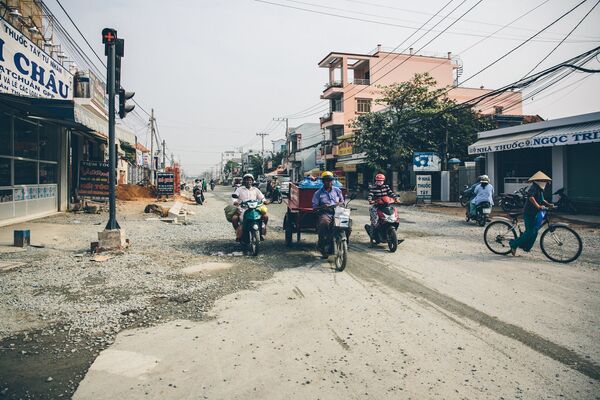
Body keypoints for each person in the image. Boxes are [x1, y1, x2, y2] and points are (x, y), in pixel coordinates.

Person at [509, 171, 554, 256]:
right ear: (539, 180)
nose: (545, 182)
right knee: (530, 232)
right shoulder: (534, 187)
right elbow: (531, 197)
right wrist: (538, 206)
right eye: (543, 180)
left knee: (535, 231)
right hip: (529, 212)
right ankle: (513, 244)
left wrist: (549, 205)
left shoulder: (539, 189)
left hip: (536, 212)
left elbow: (542, 200)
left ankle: (526, 247)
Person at [312, 171, 345, 255]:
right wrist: (322, 207)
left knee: (347, 225)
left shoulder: (337, 190)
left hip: (338, 212)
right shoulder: (318, 193)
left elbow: (342, 202)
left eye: (330, 180)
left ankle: (344, 242)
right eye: (327, 180)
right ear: (323, 181)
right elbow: (314, 206)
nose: (329, 182)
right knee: (324, 224)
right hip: (325, 213)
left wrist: (339, 204)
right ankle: (322, 245)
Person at [231, 174, 270, 241]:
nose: (248, 182)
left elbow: (262, 197)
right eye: (246, 180)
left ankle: (261, 231)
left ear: (252, 181)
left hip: (255, 208)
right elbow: (234, 197)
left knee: (265, 216)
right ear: (244, 181)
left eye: (249, 180)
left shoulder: (256, 189)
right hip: (242, 209)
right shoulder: (239, 189)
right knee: (234, 218)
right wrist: (235, 202)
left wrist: (265, 201)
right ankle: (238, 232)